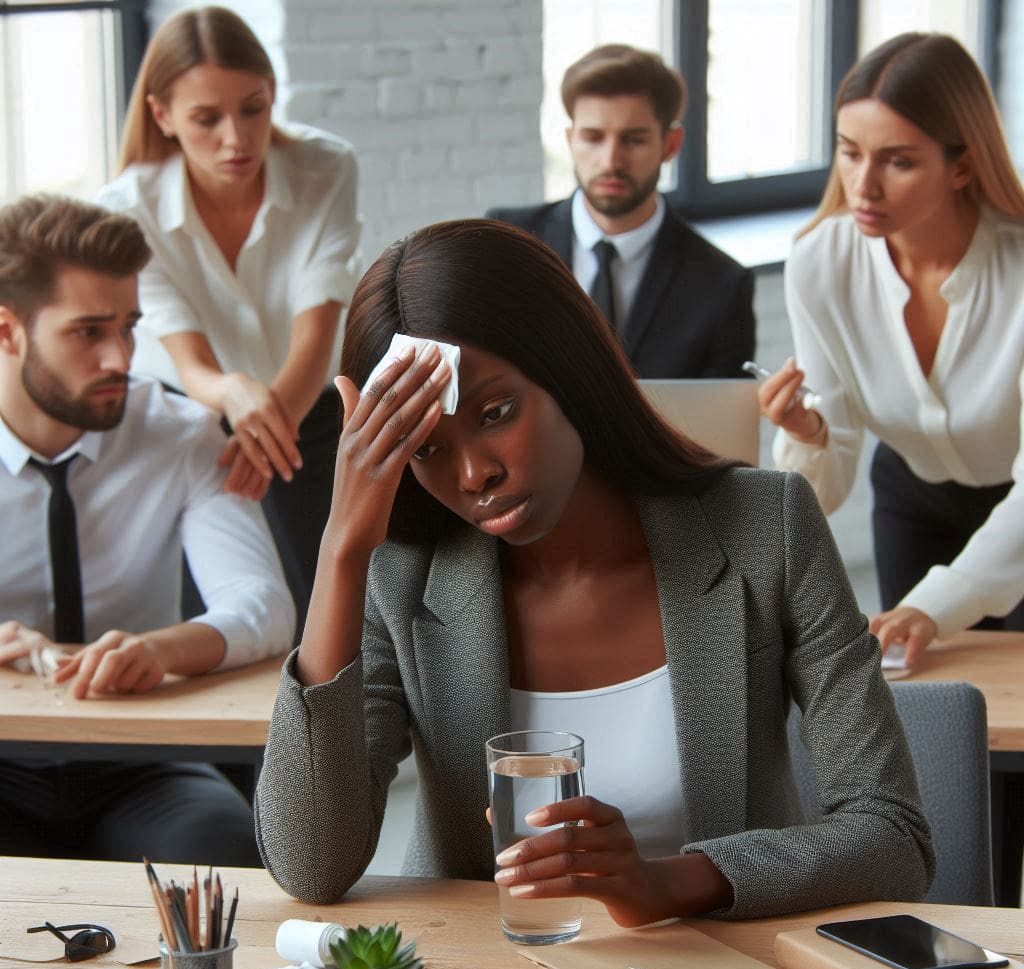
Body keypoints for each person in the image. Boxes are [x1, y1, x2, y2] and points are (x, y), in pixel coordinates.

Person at [254, 219, 933, 921]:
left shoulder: (767, 527)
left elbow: (893, 836)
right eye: (424, 450)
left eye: (496, 411)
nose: (474, 472)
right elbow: (311, 864)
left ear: (568, 371)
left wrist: (668, 882)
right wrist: (340, 552)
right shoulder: (403, 577)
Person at [0, 194, 295, 865]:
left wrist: (160, 650)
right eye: (88, 332)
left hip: (138, 763)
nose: (120, 358)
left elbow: (265, 608)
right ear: (8, 330)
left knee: (228, 863)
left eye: (129, 327)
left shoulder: (180, 433)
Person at [761, 32, 1024, 669]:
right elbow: (835, 459)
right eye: (850, 153)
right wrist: (811, 434)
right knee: (919, 707)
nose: (863, 186)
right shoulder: (820, 262)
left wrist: (941, 600)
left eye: (897, 161)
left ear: (961, 165)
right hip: (913, 500)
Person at [98, 5, 362, 637]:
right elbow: (190, 363)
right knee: (217, 613)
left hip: (309, 417)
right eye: (206, 118)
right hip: (193, 423)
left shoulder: (327, 168)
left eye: (253, 108)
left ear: (272, 94)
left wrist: (268, 427)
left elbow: (318, 332)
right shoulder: (126, 207)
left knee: (327, 607)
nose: (237, 139)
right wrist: (235, 394)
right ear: (162, 115)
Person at [487, 44, 755, 380]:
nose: (611, 161)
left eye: (634, 140)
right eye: (593, 137)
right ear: (571, 139)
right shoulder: (504, 242)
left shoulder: (722, 286)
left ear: (670, 144)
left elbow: (719, 426)